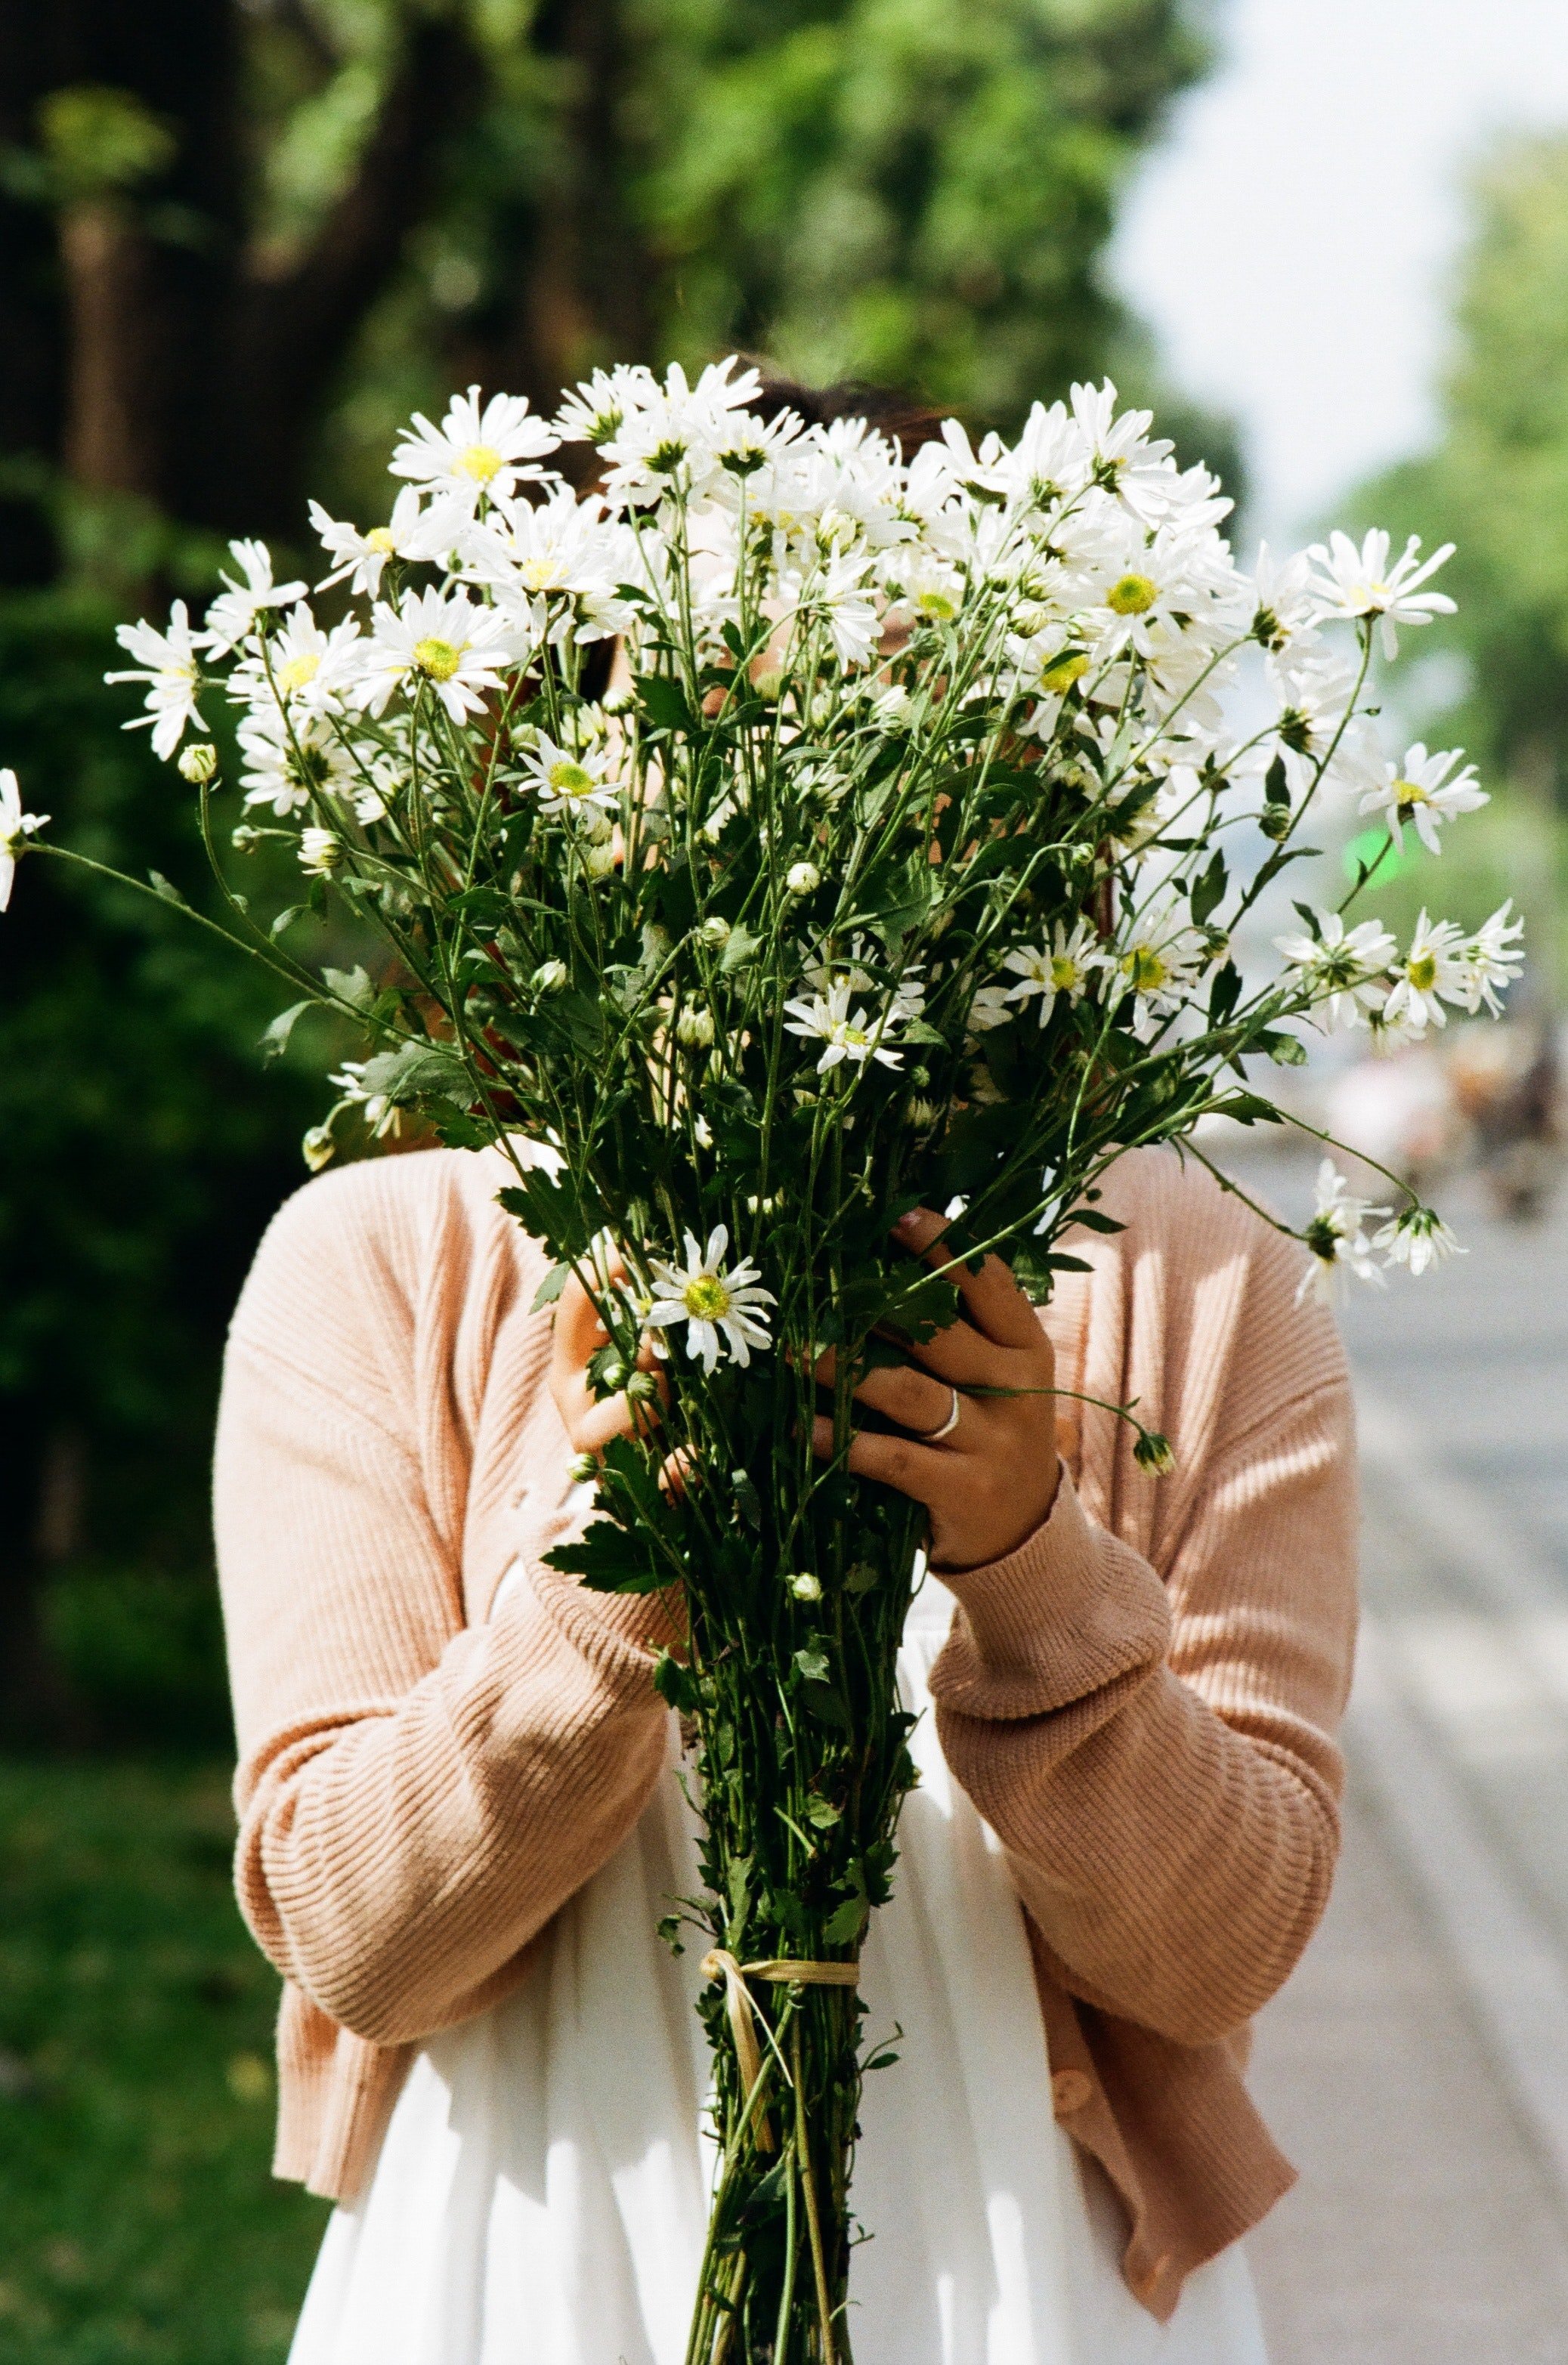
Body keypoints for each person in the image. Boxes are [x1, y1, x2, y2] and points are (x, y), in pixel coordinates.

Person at [213, 385, 1357, 2365]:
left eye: (885, 705)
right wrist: (606, 1576)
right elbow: (352, 1936)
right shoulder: (381, 1259)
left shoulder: (1192, 1270)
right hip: (533, 2254)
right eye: (707, 717)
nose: (785, 794)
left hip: (1028, 2277)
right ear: (554, 770)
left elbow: (1219, 1948)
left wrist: (1028, 1557)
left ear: (1023, 766)